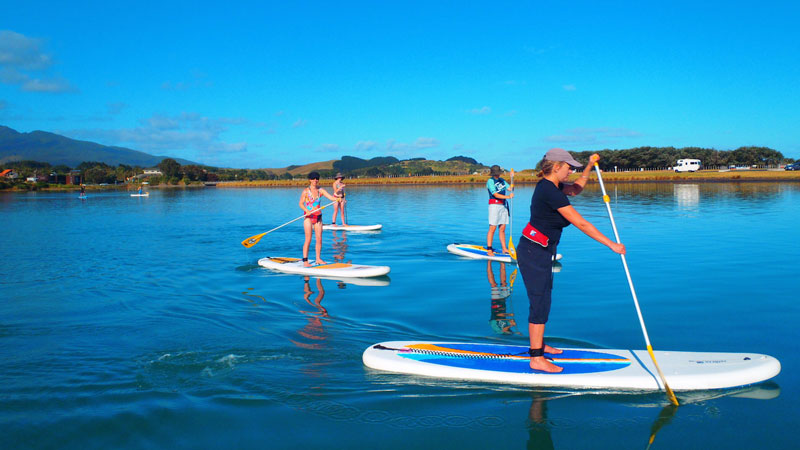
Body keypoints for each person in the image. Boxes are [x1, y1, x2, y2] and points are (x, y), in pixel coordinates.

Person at [517, 148, 625, 373]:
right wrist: (611, 244)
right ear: (556, 167)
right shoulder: (549, 191)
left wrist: (588, 166)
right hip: (533, 252)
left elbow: (576, 189)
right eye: (569, 167)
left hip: (541, 251)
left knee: (543, 299)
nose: (571, 171)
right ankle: (536, 358)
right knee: (540, 302)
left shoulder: (553, 186)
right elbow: (581, 223)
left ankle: (540, 345)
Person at [299, 171, 339, 267]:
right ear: (310, 180)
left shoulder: (321, 190)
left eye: (317, 178)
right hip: (308, 217)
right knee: (308, 239)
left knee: (319, 239)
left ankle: (318, 259)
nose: (315, 180)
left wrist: (338, 198)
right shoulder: (305, 191)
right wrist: (306, 210)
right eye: (313, 178)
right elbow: (300, 203)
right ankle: (305, 261)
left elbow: (330, 197)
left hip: (318, 217)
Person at [486, 165, 514, 256]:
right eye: (496, 173)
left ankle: (504, 248)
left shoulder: (502, 181)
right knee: (493, 228)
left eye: (498, 173)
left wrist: (512, 178)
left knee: (502, 228)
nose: (498, 175)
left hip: (503, 206)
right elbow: (495, 194)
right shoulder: (490, 181)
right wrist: (508, 197)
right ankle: (489, 249)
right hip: (494, 206)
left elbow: (510, 188)